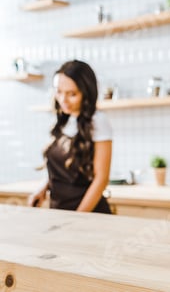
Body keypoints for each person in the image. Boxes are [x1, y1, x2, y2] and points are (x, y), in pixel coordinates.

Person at [28, 60, 113, 213]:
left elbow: (101, 179)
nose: (63, 100)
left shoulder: (98, 121)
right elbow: (60, 170)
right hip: (59, 211)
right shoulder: (62, 120)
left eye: (72, 94)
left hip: (88, 213)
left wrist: (78, 216)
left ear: (86, 93)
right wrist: (43, 188)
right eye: (58, 92)